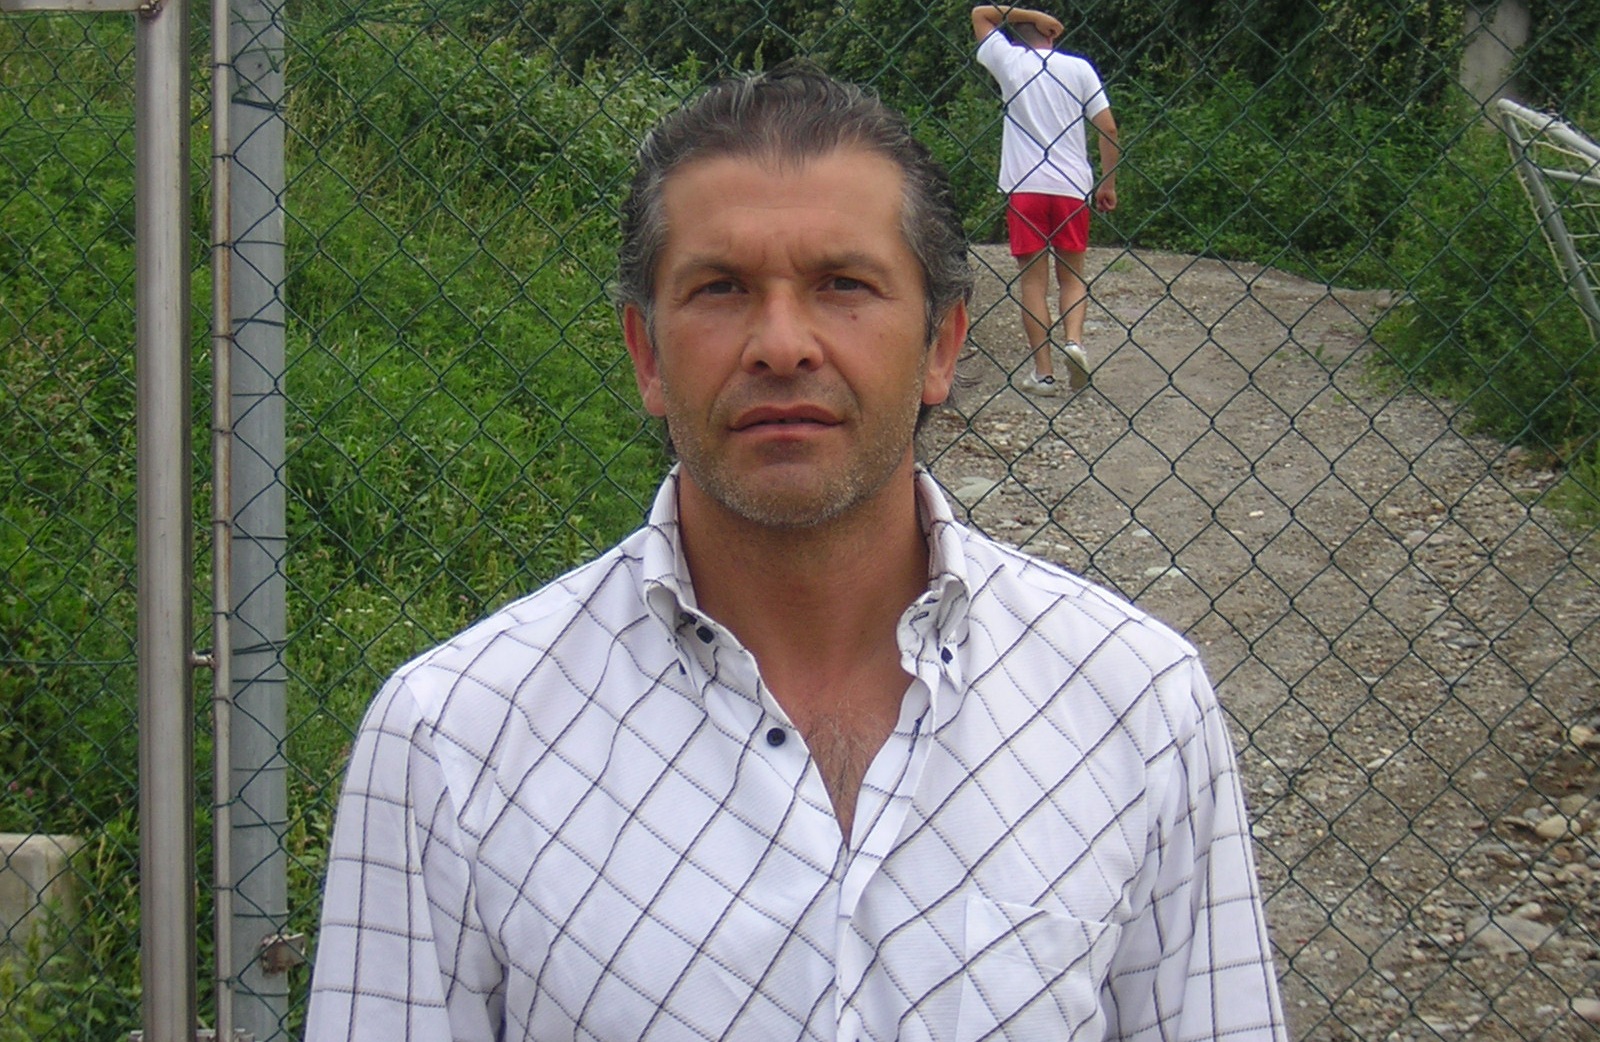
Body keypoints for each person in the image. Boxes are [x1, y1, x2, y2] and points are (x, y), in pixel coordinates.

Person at [305, 66, 1285, 1041]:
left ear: (942, 346)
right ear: (646, 355)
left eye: (843, 285)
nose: (782, 345)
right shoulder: (454, 740)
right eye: (721, 288)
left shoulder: (1135, 706)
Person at [973, 4, 1120, 397]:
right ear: (1052, 34)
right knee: (1072, 277)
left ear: (1018, 36)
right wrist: (1107, 184)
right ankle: (1074, 343)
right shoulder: (1079, 68)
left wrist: (1028, 14)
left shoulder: (1010, 62)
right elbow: (1108, 128)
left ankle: (1044, 373)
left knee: (1033, 283)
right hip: (1072, 187)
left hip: (1025, 187)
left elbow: (980, 14)